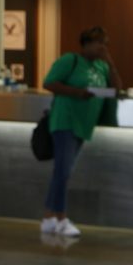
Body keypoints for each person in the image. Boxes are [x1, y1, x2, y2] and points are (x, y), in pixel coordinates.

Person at [41, 26, 121, 237]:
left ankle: (48, 217)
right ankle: (60, 217)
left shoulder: (101, 66)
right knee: (63, 172)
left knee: (63, 172)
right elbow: (49, 83)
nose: (101, 47)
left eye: (104, 43)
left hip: (83, 125)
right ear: (85, 44)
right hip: (65, 121)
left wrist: (110, 61)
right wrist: (77, 93)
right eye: (98, 43)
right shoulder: (70, 61)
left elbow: (116, 89)